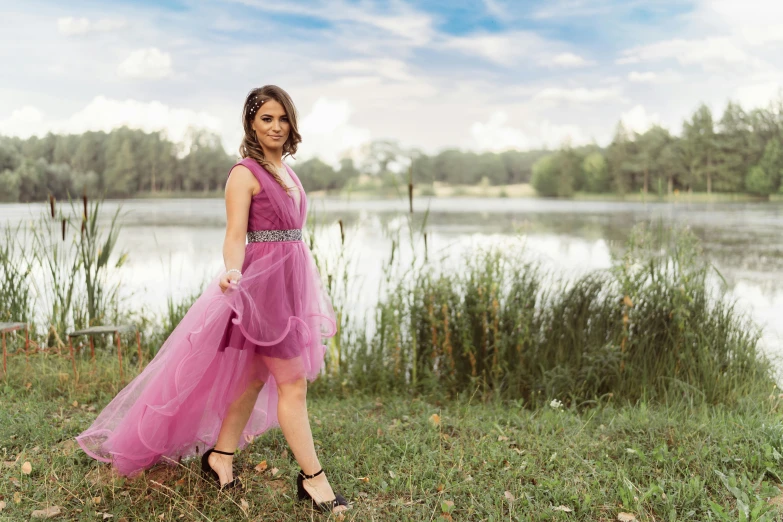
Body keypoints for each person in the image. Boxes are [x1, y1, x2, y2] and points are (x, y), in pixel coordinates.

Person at [75, 85, 350, 515]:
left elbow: (291, 234)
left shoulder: (288, 171)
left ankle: (220, 455)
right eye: (266, 119)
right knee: (293, 382)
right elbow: (235, 234)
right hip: (261, 288)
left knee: (256, 374)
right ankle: (315, 481)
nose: (276, 127)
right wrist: (233, 271)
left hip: (290, 282)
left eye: (282, 118)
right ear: (251, 124)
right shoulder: (244, 172)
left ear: (291, 123)